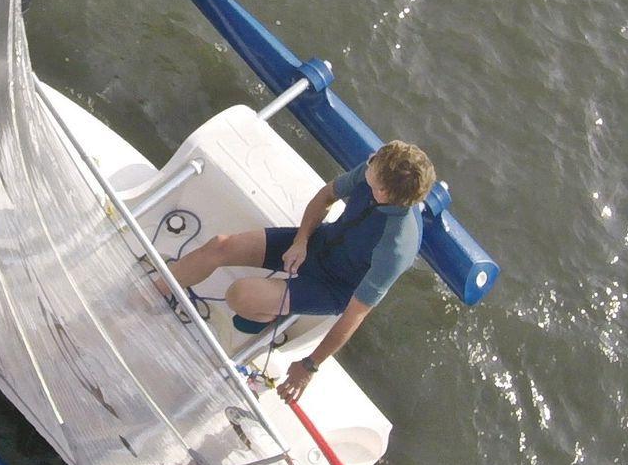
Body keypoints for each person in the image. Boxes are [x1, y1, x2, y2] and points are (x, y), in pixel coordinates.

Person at [167, 141, 436, 403]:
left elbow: (356, 313)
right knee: (221, 246)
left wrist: (309, 366)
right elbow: (326, 196)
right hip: (317, 244)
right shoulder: (373, 168)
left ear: (383, 193)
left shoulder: (397, 247)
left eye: (373, 165)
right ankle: (155, 288)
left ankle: (270, 314)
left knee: (240, 295)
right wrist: (301, 241)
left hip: (333, 287)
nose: (369, 161)